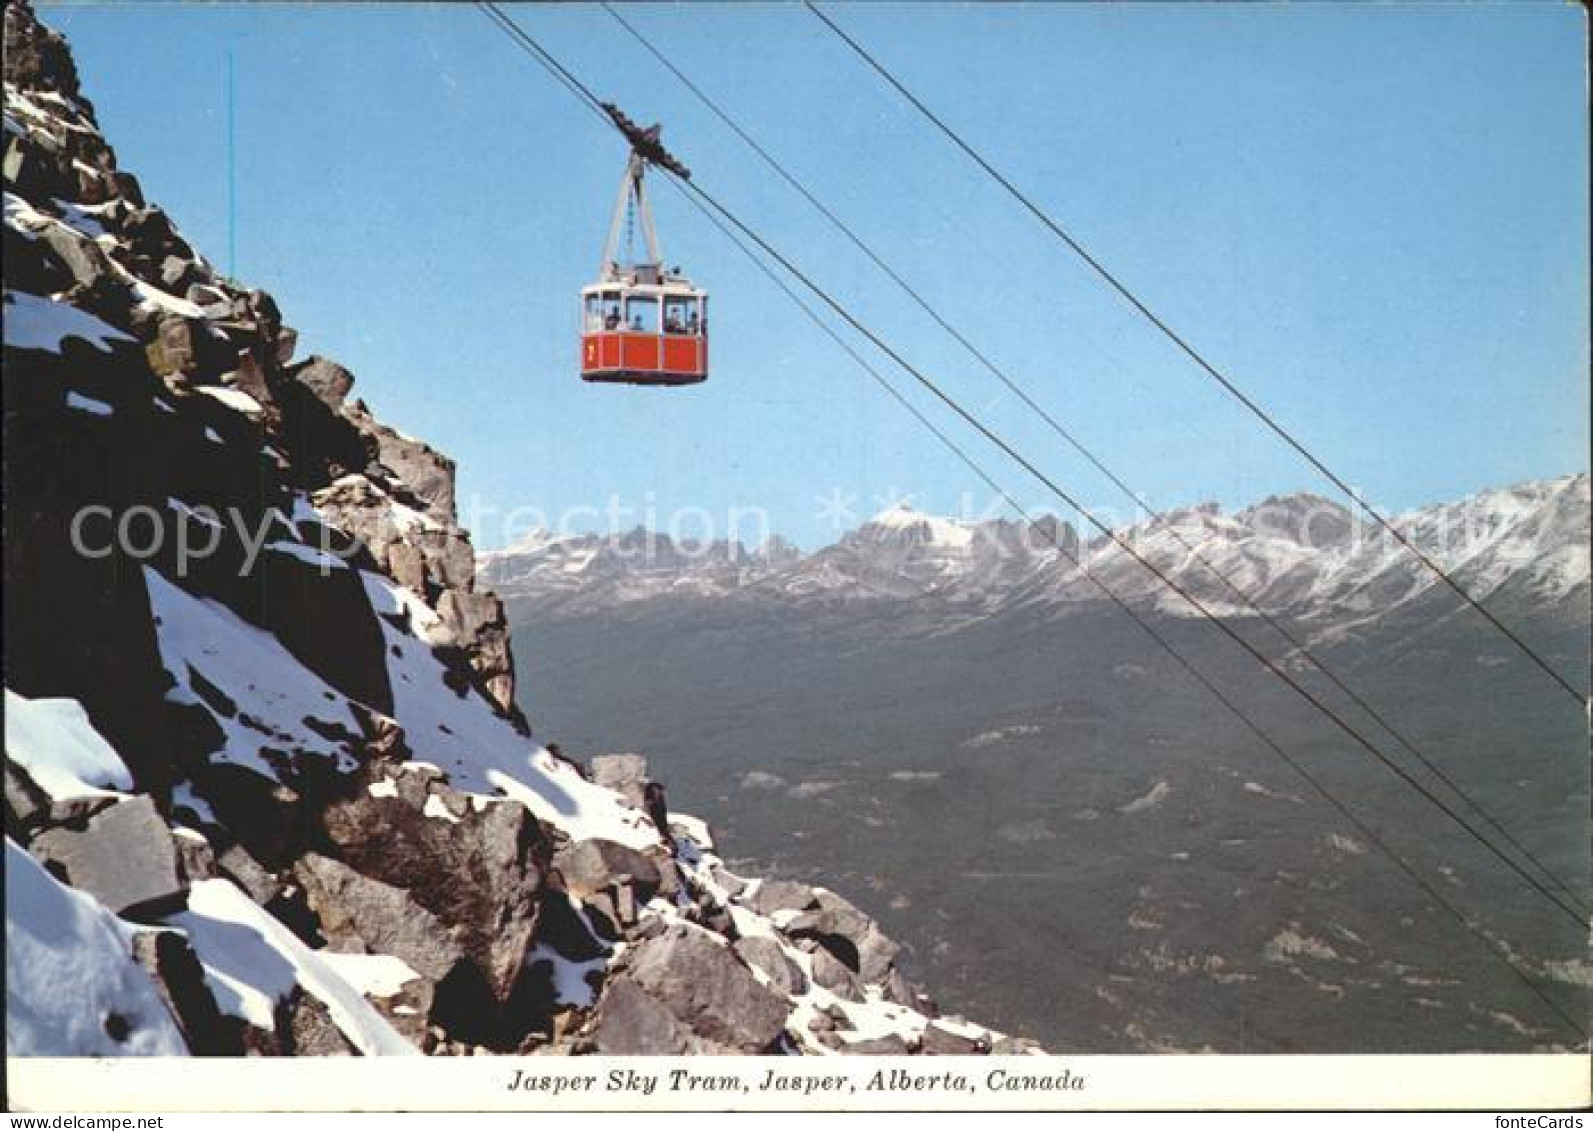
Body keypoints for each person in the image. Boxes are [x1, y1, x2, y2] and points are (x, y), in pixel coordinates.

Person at [643, 781, 675, 855]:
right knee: (663, 829)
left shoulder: (653, 792)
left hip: (658, 814)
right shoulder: (656, 794)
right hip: (659, 813)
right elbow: (652, 804)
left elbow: (650, 804)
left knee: (663, 830)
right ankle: (668, 843)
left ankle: (671, 845)